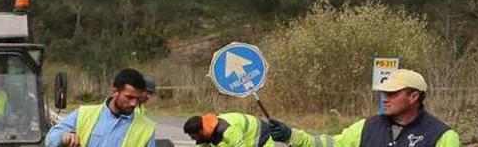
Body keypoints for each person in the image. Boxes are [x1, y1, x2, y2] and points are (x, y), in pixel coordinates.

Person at [268, 69, 459, 147]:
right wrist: (290, 136)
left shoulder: (442, 137)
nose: (385, 98)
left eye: (392, 94)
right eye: (383, 93)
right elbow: (330, 144)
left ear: (414, 97)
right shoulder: (367, 126)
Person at [46, 68, 156, 147]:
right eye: (129, 97)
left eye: (137, 99)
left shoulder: (147, 128)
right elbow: (50, 139)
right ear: (114, 92)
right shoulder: (84, 114)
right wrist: (64, 137)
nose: (134, 104)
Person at [183, 112, 274, 147]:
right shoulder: (207, 130)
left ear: (200, 131)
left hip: (261, 138)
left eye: (193, 137)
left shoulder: (227, 131)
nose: (192, 139)